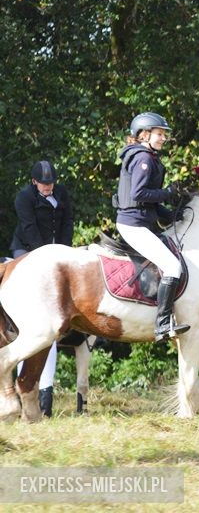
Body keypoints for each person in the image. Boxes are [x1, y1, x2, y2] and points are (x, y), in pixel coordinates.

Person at [113, 111, 189, 343]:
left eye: (164, 134)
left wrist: (173, 215)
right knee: (173, 267)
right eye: (159, 134)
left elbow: (148, 204)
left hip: (140, 221)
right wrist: (167, 193)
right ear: (144, 135)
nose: (163, 138)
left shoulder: (148, 157)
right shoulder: (144, 158)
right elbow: (139, 194)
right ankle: (163, 324)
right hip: (133, 226)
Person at [10, 160, 74, 417]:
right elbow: (29, 228)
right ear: (34, 182)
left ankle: (45, 394)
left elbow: (67, 222)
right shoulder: (24, 198)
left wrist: (66, 254)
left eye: (51, 184)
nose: (48, 188)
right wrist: (46, 257)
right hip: (26, 249)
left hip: (55, 251)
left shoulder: (62, 193)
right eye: (44, 185)